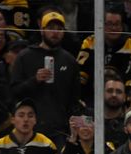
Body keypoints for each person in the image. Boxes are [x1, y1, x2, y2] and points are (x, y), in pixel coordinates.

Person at [9, 12, 79, 145]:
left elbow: (74, 100)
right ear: (42, 30)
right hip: (29, 130)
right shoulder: (25, 57)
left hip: (59, 131)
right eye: (51, 28)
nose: (55, 32)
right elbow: (14, 92)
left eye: (59, 29)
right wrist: (34, 80)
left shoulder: (69, 60)